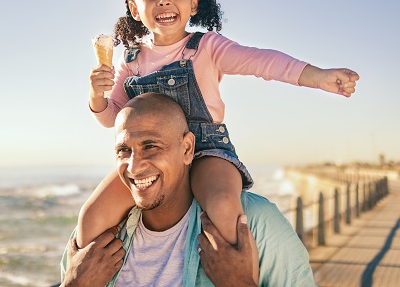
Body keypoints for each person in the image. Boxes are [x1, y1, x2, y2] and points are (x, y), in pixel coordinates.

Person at [79, 0, 359, 283]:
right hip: (150, 158)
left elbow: (262, 61)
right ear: (135, 9)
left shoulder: (206, 48)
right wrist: (97, 97)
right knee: (91, 218)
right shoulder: (130, 59)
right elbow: (113, 118)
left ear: (194, 3)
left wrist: (318, 76)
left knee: (225, 207)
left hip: (207, 149)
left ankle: (238, 277)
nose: (164, 0)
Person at [61, 93, 317, 286]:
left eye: (151, 146)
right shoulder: (96, 241)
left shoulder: (256, 223)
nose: (134, 166)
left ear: (186, 149)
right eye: (124, 151)